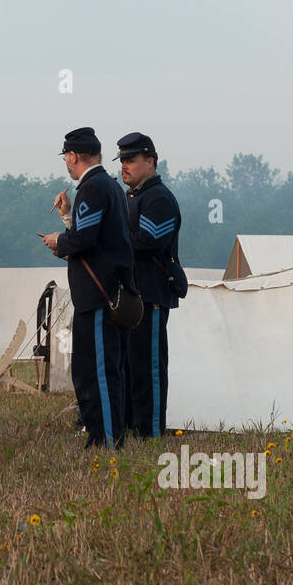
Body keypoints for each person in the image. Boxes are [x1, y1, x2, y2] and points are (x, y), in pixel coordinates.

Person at [42, 127, 134, 449]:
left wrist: (58, 241)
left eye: (66, 157)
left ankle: (107, 441)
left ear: (73, 156)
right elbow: (92, 238)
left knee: (99, 373)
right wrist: (68, 219)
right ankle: (100, 436)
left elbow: (83, 240)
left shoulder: (93, 188)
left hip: (98, 297)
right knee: (90, 370)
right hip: (101, 295)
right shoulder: (109, 187)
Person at [116, 132, 181, 439]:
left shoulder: (159, 198)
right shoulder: (133, 197)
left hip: (152, 294)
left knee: (149, 369)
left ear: (150, 161)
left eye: (130, 160)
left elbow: (149, 241)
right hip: (133, 295)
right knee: (130, 368)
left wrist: (111, 242)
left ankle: (151, 431)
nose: (124, 166)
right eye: (122, 160)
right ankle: (133, 426)